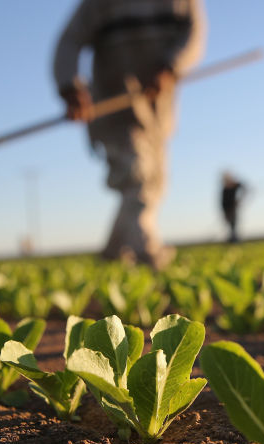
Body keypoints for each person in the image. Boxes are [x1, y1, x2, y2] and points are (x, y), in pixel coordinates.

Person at [53, 0, 207, 270]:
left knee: (155, 182)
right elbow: (69, 43)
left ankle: (112, 253)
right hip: (114, 107)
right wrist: (69, 86)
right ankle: (147, 251)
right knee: (138, 177)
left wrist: (171, 66)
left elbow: (193, 35)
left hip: (157, 110)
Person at [220, 171, 247, 243]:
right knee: (231, 226)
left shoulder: (235, 185)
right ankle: (232, 239)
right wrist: (225, 213)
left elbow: (244, 188)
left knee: (234, 224)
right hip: (227, 210)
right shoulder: (224, 189)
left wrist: (240, 199)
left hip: (233, 209)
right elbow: (223, 203)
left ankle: (234, 240)